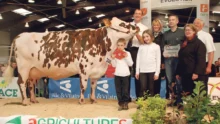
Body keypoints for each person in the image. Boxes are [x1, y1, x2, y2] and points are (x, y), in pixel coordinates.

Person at [176, 24, 206, 95]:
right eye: (186, 30)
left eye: (189, 30)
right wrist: (178, 72)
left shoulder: (199, 44)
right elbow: (181, 59)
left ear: (194, 31)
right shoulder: (184, 43)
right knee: (186, 93)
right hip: (185, 73)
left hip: (194, 74)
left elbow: (201, 60)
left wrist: (196, 73)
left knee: (195, 95)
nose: (187, 31)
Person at [162, 14, 185, 104]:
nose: (171, 21)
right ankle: (172, 98)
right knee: (170, 80)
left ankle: (180, 99)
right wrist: (165, 50)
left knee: (178, 79)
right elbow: (162, 47)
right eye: (170, 20)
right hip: (168, 60)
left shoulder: (182, 32)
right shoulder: (165, 34)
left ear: (177, 21)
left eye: (173, 19)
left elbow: (186, 46)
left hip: (179, 60)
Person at [127, 9, 148, 99]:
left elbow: (144, 42)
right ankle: (126, 97)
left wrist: (136, 33)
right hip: (126, 50)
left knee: (137, 73)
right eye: (136, 13)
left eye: (139, 14)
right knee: (125, 73)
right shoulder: (127, 25)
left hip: (137, 50)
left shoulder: (144, 28)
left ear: (142, 16)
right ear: (133, 15)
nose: (137, 15)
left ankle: (139, 97)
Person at [135, 29, 161, 97]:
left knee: (151, 88)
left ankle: (150, 104)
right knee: (143, 88)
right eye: (144, 37)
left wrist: (157, 73)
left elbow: (158, 60)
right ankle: (142, 103)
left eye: (147, 36)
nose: (146, 38)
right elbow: (138, 59)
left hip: (152, 70)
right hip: (142, 71)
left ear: (151, 36)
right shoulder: (141, 47)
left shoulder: (156, 47)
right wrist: (137, 71)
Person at [193, 18, 216, 92]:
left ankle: (202, 103)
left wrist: (209, 66)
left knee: (202, 87)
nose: (196, 25)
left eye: (198, 23)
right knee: (193, 87)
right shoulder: (190, 35)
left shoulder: (206, 36)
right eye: (195, 23)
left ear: (202, 26)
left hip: (203, 64)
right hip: (192, 65)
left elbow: (211, 52)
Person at [111, 38, 133, 111]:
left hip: (125, 74)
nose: (120, 47)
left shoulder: (127, 53)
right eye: (118, 45)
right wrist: (113, 59)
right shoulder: (115, 54)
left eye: (121, 45)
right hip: (117, 74)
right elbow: (114, 65)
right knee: (118, 90)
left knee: (125, 90)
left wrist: (126, 57)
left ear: (124, 45)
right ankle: (120, 104)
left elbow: (131, 64)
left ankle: (125, 103)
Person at [152, 19, 165, 95]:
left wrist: (162, 62)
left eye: (157, 25)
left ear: (160, 26)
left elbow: (163, 49)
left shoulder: (163, 36)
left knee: (157, 78)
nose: (156, 26)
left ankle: (157, 95)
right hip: (150, 60)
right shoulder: (150, 35)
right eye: (154, 25)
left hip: (159, 60)